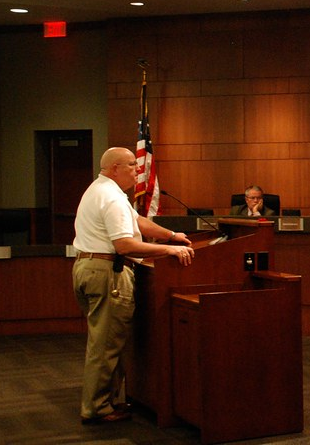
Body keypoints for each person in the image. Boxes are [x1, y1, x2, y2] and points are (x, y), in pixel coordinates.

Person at [72, 147, 195, 424]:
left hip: (89, 267)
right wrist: (169, 251)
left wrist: (171, 235)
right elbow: (124, 244)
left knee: (104, 339)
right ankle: (97, 408)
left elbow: (136, 221)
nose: (138, 170)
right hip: (108, 272)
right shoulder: (111, 197)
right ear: (114, 168)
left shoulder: (102, 190)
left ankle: (107, 399)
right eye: (131, 165)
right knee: (105, 344)